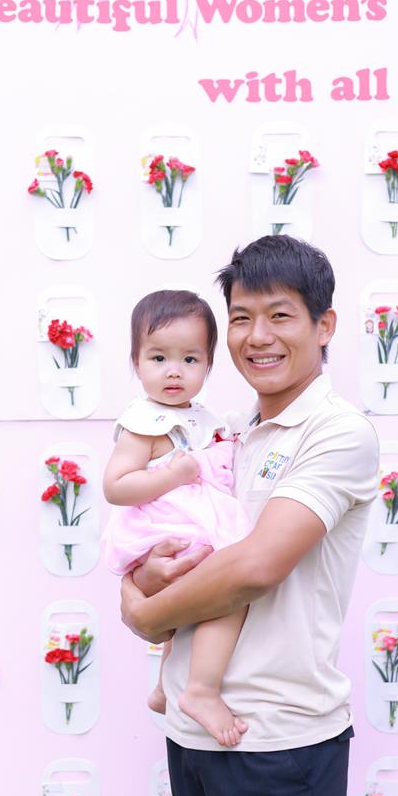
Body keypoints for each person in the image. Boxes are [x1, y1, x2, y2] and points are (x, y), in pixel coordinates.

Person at [120, 235, 379, 796]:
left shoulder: (335, 432)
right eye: (239, 318)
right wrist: (140, 588)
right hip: (198, 738)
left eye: (279, 316)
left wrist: (142, 611)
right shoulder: (229, 436)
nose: (257, 336)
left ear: (324, 325)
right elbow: (178, 553)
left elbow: (257, 565)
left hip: (280, 743)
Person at [102, 289, 252, 746]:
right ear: (136, 362)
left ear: (208, 365)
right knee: (228, 593)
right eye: (159, 358)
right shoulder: (143, 423)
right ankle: (201, 689)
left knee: (199, 599)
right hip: (166, 524)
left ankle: (165, 685)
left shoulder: (201, 417)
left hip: (191, 519)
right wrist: (172, 475)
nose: (174, 370)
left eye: (190, 359)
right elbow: (116, 486)